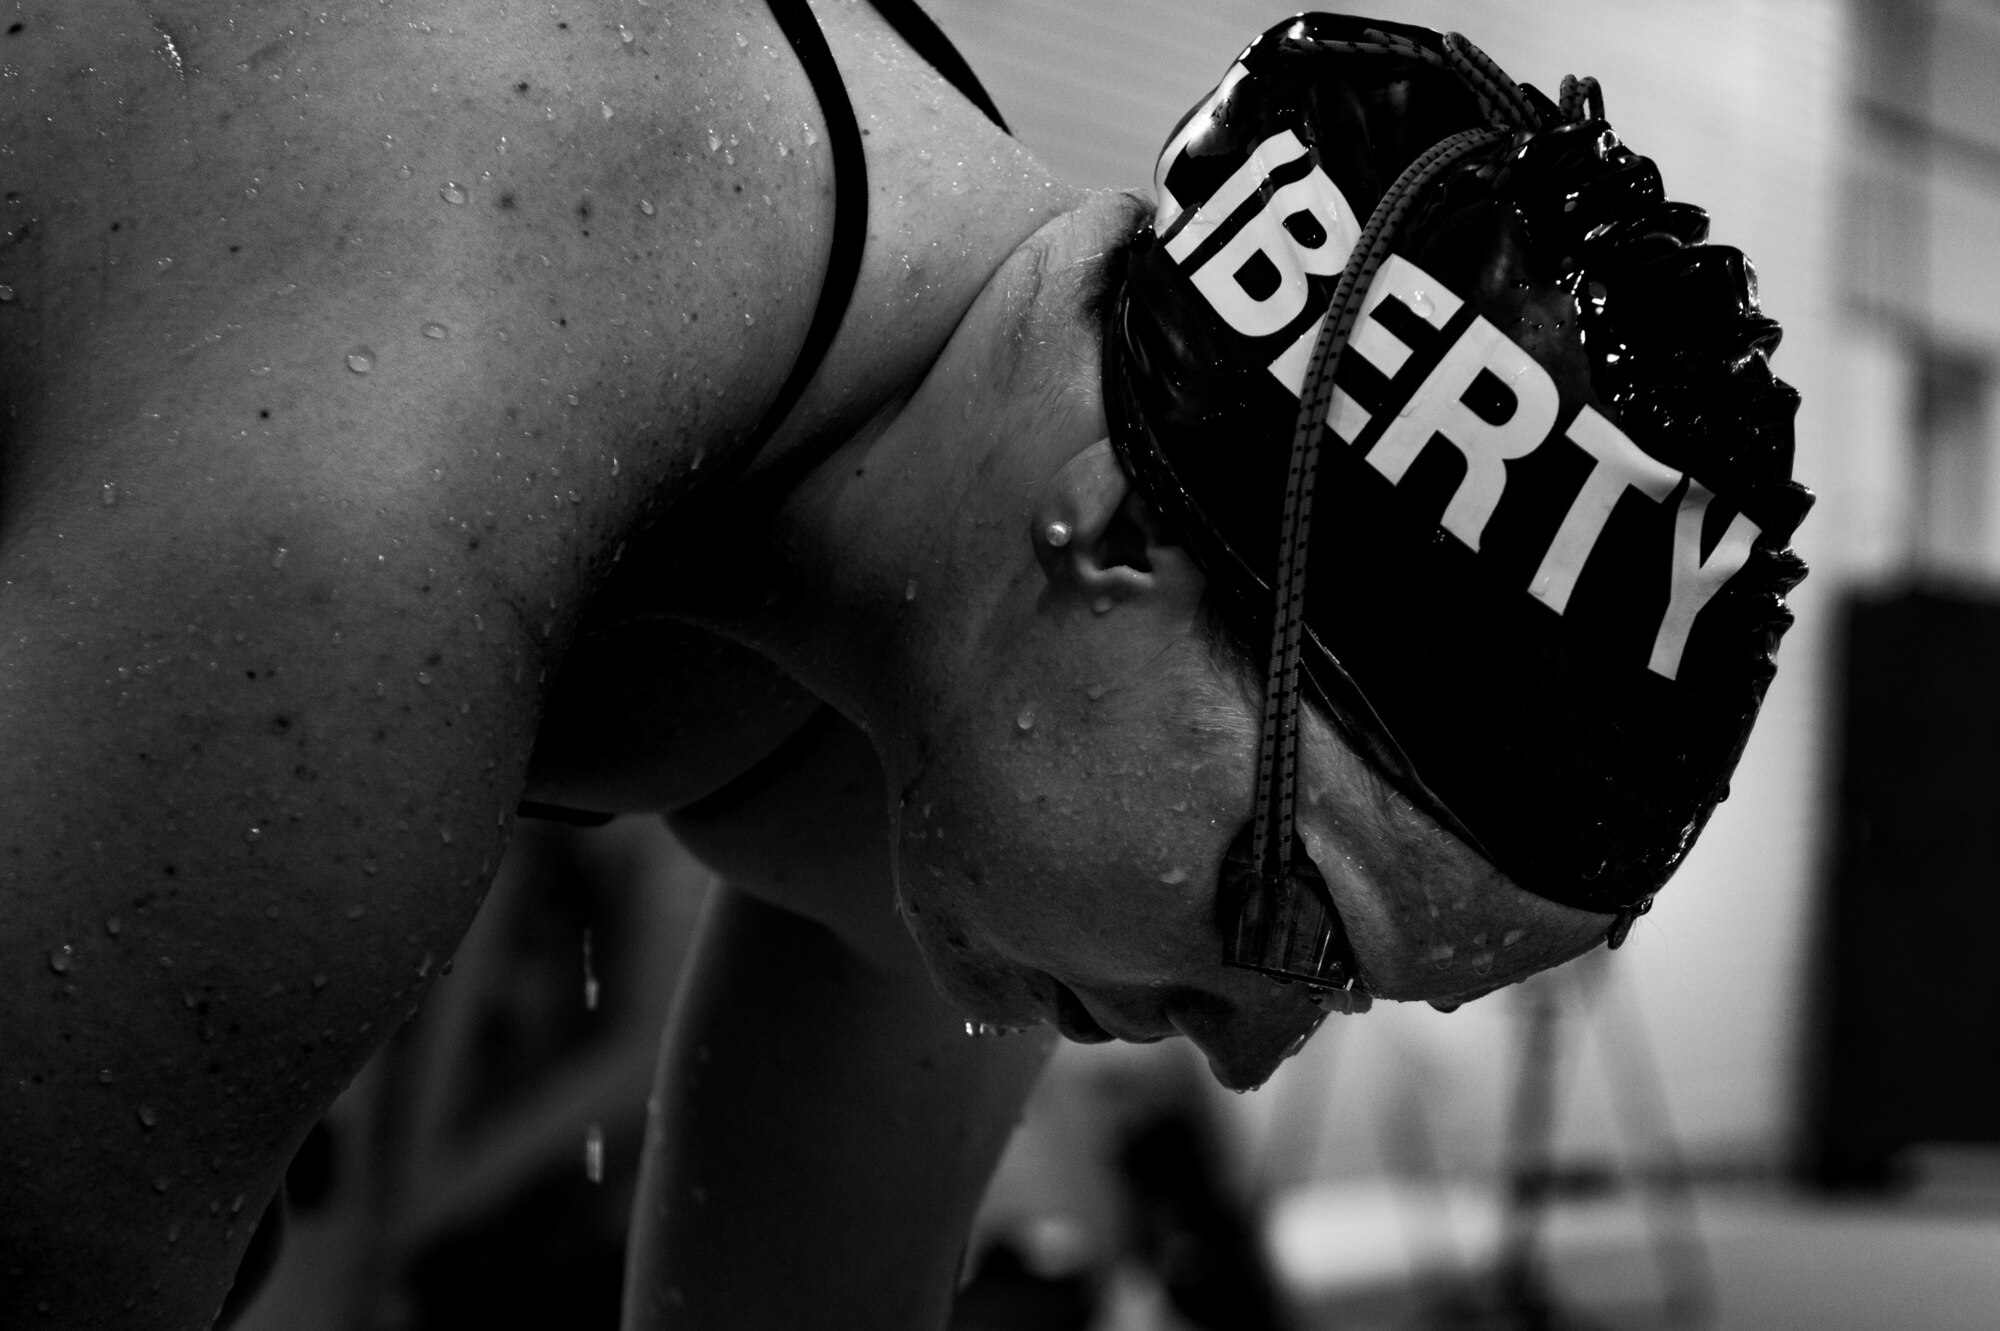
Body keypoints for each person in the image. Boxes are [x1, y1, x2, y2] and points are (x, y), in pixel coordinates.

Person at [0, 4, 1808, 1328]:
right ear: (1117, 537)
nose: (1243, 1064)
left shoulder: (942, 644)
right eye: (1296, 927)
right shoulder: (368, 515)